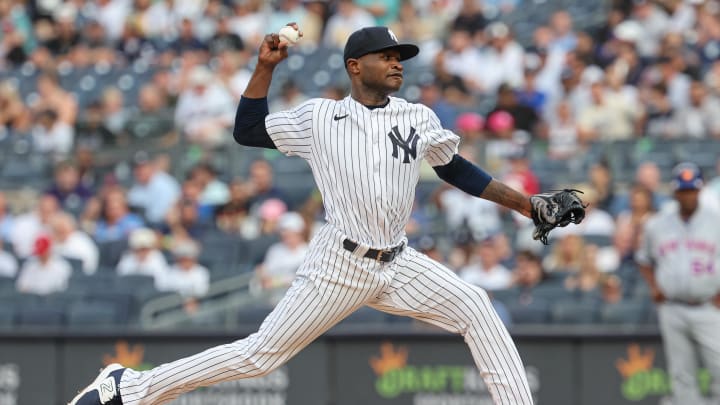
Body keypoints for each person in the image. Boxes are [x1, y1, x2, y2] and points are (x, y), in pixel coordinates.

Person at [70, 24, 544, 405]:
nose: (398, 61)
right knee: (258, 358)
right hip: (340, 264)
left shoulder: (416, 116)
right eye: (388, 55)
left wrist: (528, 205)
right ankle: (127, 387)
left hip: (399, 262)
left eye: (400, 55)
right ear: (356, 67)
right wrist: (263, 69)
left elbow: (456, 170)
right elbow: (248, 131)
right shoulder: (321, 118)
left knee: (476, 307)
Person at [636, 162, 720, 405]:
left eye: (692, 190)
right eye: (683, 190)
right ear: (675, 192)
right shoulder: (658, 223)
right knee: (682, 375)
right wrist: (654, 287)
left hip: (708, 307)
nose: (687, 195)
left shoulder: (715, 221)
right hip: (672, 308)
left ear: (700, 190)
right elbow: (643, 259)